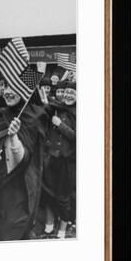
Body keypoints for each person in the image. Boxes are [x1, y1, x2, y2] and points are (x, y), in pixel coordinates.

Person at [0, 81, 48, 241]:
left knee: (9, 231)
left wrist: (14, 136)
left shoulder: (35, 115)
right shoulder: (1, 113)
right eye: (6, 87)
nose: (7, 92)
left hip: (19, 186)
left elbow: (24, 159)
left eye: (14, 87)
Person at [42, 81, 76, 238]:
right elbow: (46, 110)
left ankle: (62, 228)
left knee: (63, 196)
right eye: (67, 92)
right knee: (48, 192)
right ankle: (49, 224)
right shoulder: (57, 107)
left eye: (73, 93)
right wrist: (44, 102)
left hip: (67, 162)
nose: (69, 96)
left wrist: (60, 125)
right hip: (51, 158)